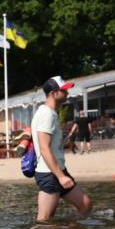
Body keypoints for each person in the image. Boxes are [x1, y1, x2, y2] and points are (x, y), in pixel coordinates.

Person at [31, 76, 93, 221]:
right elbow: (44, 148)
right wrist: (60, 176)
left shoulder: (49, 112)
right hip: (50, 174)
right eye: (64, 90)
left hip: (57, 170)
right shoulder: (47, 114)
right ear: (53, 93)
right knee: (44, 221)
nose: (67, 93)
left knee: (85, 205)